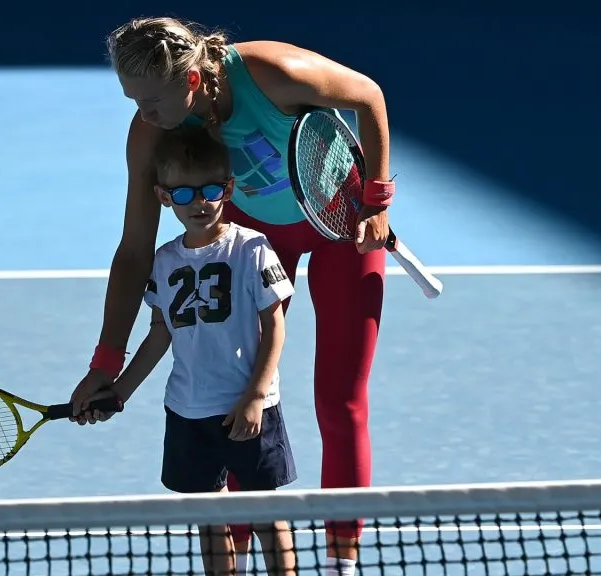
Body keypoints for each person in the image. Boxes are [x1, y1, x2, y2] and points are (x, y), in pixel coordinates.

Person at [71, 15, 395, 576]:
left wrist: (377, 200)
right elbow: (135, 250)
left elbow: (368, 96)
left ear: (193, 81)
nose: (143, 114)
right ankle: (237, 562)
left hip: (342, 224)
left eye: (152, 101)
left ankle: (341, 561)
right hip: (261, 236)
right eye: (133, 100)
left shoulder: (272, 72)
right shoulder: (150, 131)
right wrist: (106, 361)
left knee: (339, 400)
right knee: (233, 396)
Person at [80, 123, 298, 575]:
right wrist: (119, 391)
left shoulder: (251, 249)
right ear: (164, 197)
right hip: (188, 410)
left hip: (248, 406)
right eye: (183, 194)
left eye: (210, 190)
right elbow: (160, 334)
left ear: (228, 189)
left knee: (265, 513)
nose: (199, 203)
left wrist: (255, 397)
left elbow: (275, 328)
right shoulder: (164, 261)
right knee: (209, 515)